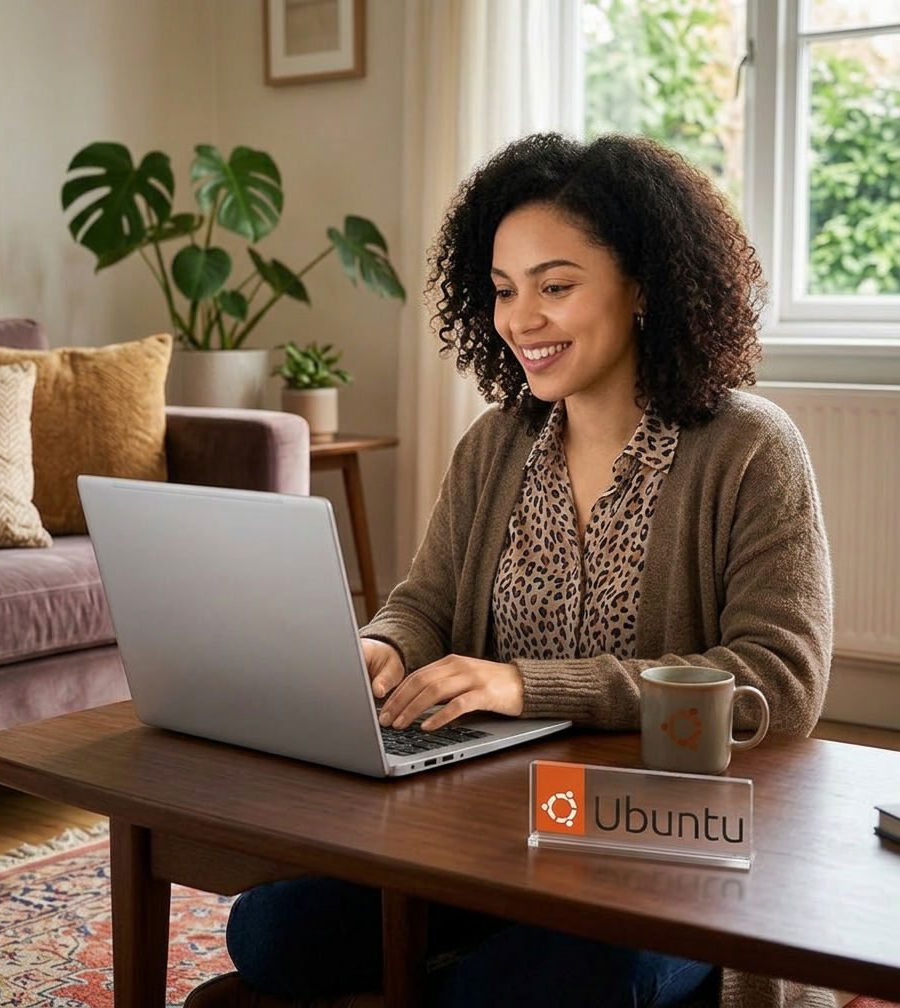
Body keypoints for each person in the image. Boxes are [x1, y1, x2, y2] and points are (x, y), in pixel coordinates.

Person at [184, 133, 834, 1008]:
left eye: (555, 286)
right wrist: (385, 645)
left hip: (663, 840)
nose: (520, 318)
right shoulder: (496, 444)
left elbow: (780, 681)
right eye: (502, 289)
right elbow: (424, 602)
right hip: (490, 827)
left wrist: (535, 687)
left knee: (525, 988)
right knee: (266, 933)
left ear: (644, 285)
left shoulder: (750, 448)